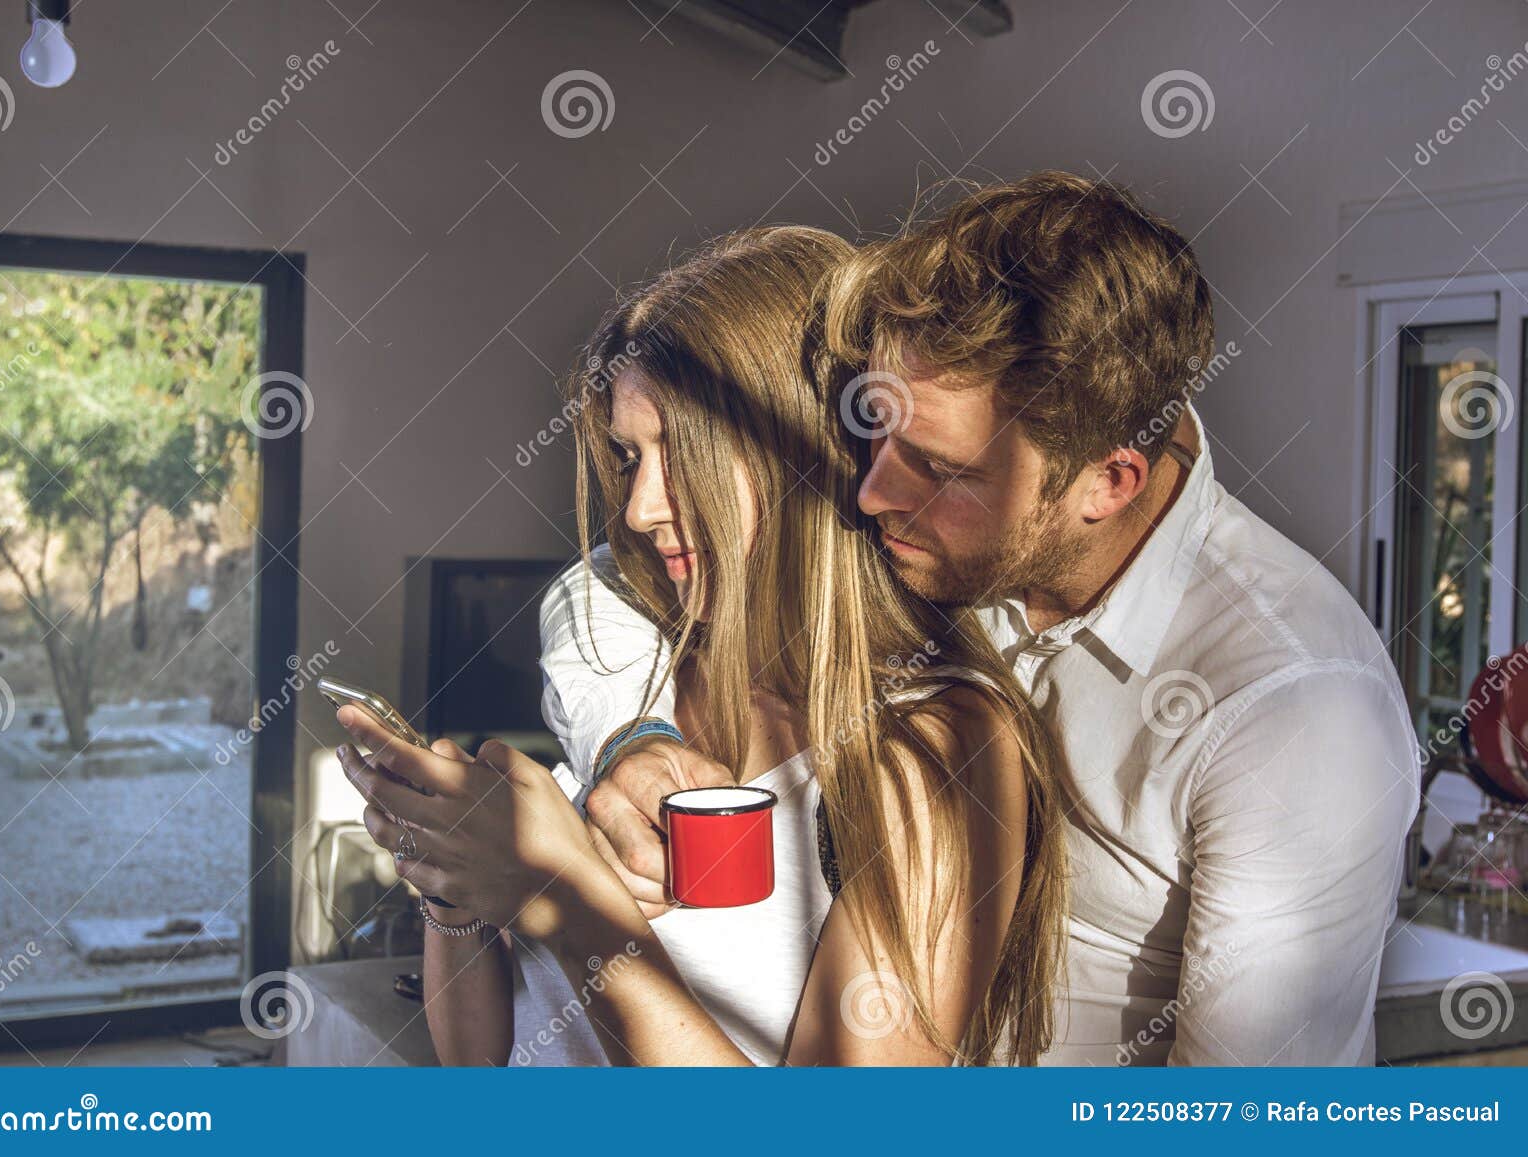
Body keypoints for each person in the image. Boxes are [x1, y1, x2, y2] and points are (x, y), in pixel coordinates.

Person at [545, 171, 1422, 1065]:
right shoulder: (943, 545)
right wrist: (629, 738)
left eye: (936, 466)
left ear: (1106, 482)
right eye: (873, 432)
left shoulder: (1295, 708)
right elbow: (607, 585)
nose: (873, 488)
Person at [335, 226, 1069, 1066]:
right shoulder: (637, 673)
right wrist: (453, 880)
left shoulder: (936, 743)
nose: (643, 505)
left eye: (680, 453)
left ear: (806, 446)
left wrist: (567, 902)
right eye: (628, 455)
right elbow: (482, 1055)